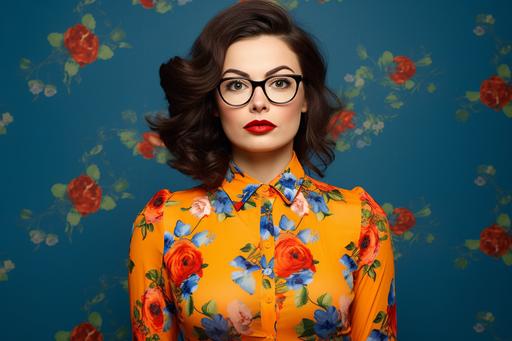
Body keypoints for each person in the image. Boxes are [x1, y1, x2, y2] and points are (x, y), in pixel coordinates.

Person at [128, 1, 397, 340]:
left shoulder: (361, 222)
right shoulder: (161, 225)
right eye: (236, 85)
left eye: (280, 83)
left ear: (305, 99)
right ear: (213, 102)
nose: (259, 102)